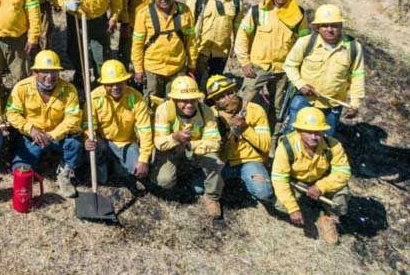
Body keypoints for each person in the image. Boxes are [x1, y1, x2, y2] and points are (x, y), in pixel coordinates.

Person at [235, 0, 310, 125]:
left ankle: (272, 142)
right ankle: (240, 137)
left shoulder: (299, 15)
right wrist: (245, 62)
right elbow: (242, 35)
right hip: (257, 68)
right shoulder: (258, 11)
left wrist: (298, 70)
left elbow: (304, 44)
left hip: (284, 70)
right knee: (245, 103)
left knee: (277, 108)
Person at [6, 50, 83, 198]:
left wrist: (52, 135)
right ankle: (36, 160)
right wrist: (31, 130)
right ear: (35, 72)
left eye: (54, 72)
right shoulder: (22, 88)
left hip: (57, 136)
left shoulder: (69, 90)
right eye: (45, 72)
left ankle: (64, 173)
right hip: (31, 137)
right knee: (21, 172)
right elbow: (12, 113)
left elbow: (73, 118)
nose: (50, 77)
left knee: (75, 145)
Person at [271, 106, 352, 244]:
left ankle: (327, 218)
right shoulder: (286, 147)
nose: (314, 137)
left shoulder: (333, 146)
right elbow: (279, 179)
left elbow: (343, 172)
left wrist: (321, 187)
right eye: (308, 132)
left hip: (321, 180)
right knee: (279, 204)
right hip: (296, 182)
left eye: (318, 132)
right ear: (299, 130)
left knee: (341, 201)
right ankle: (306, 208)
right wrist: (293, 208)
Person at [283, 4, 365, 135]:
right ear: (317, 27)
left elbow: (357, 77)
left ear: (341, 26)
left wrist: (355, 103)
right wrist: (300, 84)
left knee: (324, 141)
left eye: (334, 25)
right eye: (325, 26)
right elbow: (289, 65)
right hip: (303, 99)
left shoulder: (353, 48)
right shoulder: (306, 42)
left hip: (332, 105)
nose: (330, 29)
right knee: (292, 135)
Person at [151, 76, 224, 218]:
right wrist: (175, 138)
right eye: (184, 101)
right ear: (175, 99)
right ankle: (179, 174)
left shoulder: (206, 111)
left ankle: (212, 197)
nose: (189, 105)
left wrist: (191, 145)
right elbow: (159, 142)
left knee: (216, 162)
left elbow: (215, 141)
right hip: (171, 151)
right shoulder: (164, 110)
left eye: (193, 100)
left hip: (195, 151)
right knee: (164, 180)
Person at [131, 0, 198, 103]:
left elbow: (191, 42)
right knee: (151, 104)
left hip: (177, 69)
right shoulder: (143, 14)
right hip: (152, 70)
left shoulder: (185, 12)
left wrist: (192, 65)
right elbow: (137, 46)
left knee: (175, 104)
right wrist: (138, 70)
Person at [205, 75, 273, 205]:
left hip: (250, 162)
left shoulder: (255, 110)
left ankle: (245, 184)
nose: (226, 99)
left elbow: (266, 146)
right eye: (220, 97)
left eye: (229, 93)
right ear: (214, 101)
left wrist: (245, 129)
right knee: (198, 187)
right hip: (223, 163)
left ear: (235, 90)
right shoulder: (210, 114)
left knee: (263, 192)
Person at [84, 60, 152, 185]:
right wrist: (88, 138)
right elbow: (87, 125)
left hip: (127, 143)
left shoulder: (136, 98)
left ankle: (117, 166)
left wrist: (143, 160)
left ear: (126, 81)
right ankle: (103, 165)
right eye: (110, 84)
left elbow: (145, 131)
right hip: (103, 143)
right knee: (102, 178)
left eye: (119, 82)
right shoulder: (94, 97)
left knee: (136, 172)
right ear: (103, 84)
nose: (115, 87)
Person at [185, 0, 244, 89]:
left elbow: (238, 25)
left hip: (221, 52)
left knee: (214, 85)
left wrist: (236, 47)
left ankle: (210, 106)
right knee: (195, 83)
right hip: (200, 50)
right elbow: (187, 25)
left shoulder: (236, 0)